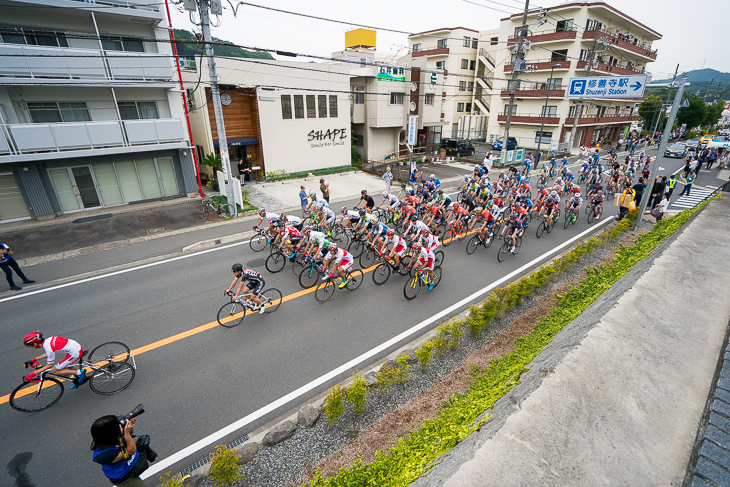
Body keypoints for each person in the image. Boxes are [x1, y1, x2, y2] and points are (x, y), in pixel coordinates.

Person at [91, 415, 157, 486]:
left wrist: (130, 429)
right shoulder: (102, 455)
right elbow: (131, 451)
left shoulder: (110, 437)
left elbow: (128, 441)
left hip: (128, 464)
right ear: (108, 433)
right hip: (124, 477)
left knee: (143, 442)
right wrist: (127, 434)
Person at [22, 332, 88, 389]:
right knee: (67, 364)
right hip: (74, 347)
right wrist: (33, 360)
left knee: (54, 371)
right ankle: (79, 378)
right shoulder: (48, 341)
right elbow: (48, 353)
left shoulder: (48, 348)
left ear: (35, 344)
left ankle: (79, 373)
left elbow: (49, 365)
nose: (31, 347)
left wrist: (32, 374)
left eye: (30, 346)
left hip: (75, 352)